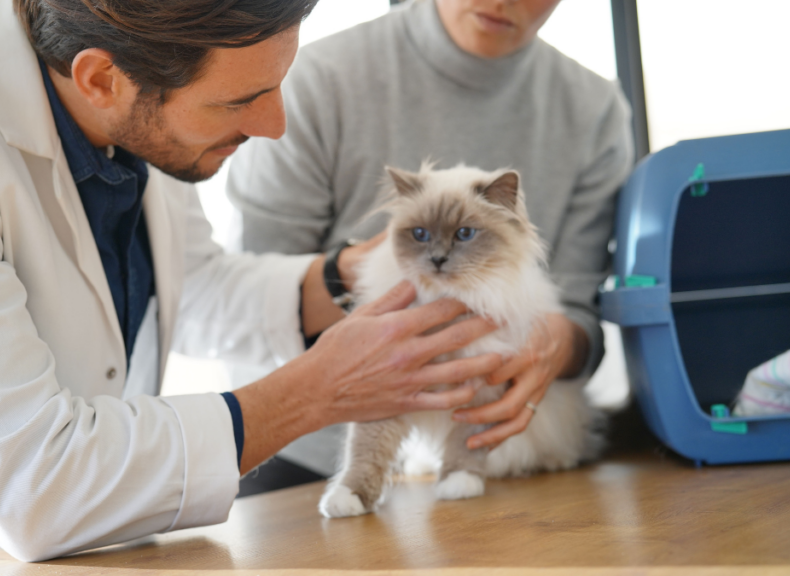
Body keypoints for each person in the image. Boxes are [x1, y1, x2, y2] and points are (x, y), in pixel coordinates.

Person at [0, 1, 507, 574]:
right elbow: (38, 480)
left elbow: (195, 292)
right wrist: (316, 392)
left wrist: (345, 274)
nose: (275, 124)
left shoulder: (130, 110)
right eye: (242, 100)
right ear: (102, 78)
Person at [226, 0, 635, 486]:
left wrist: (555, 341)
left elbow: (582, 310)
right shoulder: (316, 78)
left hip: (500, 445)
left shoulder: (595, 109)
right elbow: (245, 300)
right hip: (310, 449)